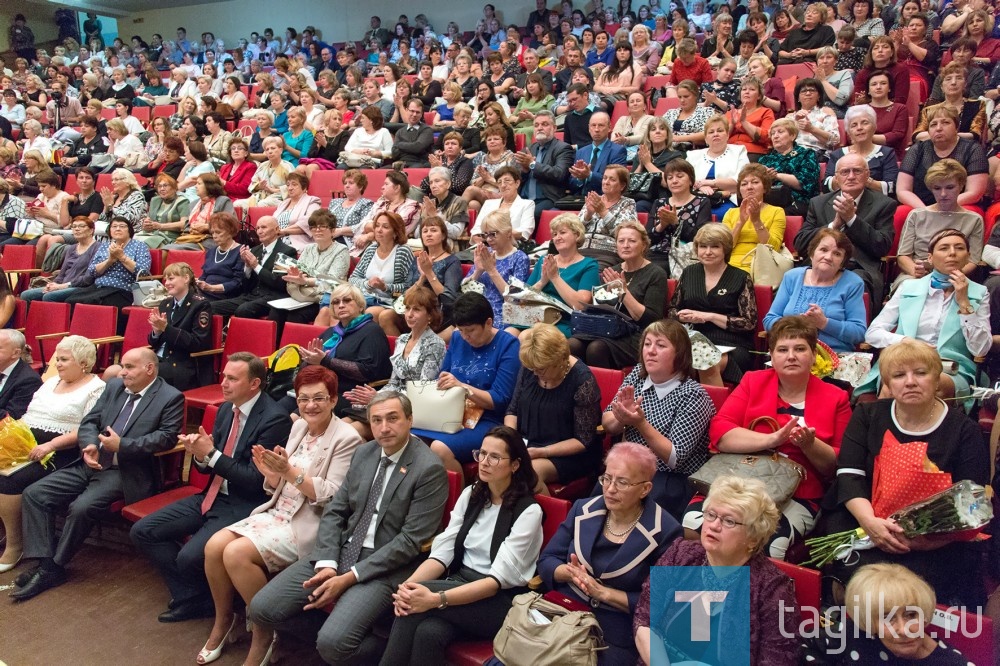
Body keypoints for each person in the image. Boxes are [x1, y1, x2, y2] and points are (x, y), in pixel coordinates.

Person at [246, 391, 447, 664]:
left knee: (334, 644)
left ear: (410, 420)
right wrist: (328, 561)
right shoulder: (365, 452)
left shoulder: (428, 469)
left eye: (392, 418)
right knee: (261, 609)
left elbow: (410, 542)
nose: (384, 428)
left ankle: (381, 647)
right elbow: (336, 510)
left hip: (383, 566)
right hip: (341, 550)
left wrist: (349, 577)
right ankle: (332, 639)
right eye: (376, 420)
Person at [197, 365, 362, 664]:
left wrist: (289, 471)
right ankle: (224, 620)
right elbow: (277, 483)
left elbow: (332, 495)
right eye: (303, 399)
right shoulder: (298, 427)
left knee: (235, 554)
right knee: (213, 547)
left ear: (334, 400)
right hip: (276, 511)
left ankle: (265, 634)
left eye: (319, 398)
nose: (310, 405)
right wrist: (271, 474)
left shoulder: (347, 438)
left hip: (308, 523)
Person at [128, 352, 291, 626]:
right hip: (212, 495)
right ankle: (195, 596)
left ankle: (209, 600)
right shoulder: (227, 409)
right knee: (143, 531)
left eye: (232, 378)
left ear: (254, 384)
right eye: (223, 376)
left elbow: (254, 480)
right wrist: (200, 455)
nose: (224, 383)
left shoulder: (275, 419)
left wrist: (211, 454)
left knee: (188, 557)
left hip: (243, 503)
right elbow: (209, 465)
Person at [826, 339, 989, 606]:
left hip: (937, 537)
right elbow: (849, 474)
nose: (910, 382)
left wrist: (924, 540)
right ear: (888, 383)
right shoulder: (867, 414)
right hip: (865, 520)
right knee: (854, 579)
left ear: (937, 379)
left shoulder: (964, 431)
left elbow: (970, 500)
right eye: (899, 375)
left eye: (920, 373)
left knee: (910, 592)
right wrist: (871, 524)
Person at [12, 348, 184, 601]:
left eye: (129, 367)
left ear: (149, 369)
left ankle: (53, 568)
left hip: (124, 471)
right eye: (122, 366)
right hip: (90, 461)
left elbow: (166, 438)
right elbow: (90, 421)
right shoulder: (114, 387)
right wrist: (90, 444)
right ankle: (46, 562)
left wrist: (122, 446)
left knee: (82, 507)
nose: (122, 371)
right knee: (35, 494)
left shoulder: (170, 397)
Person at [379, 425, 541, 665]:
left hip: (498, 602)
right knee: (428, 631)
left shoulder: (528, 511)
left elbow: (495, 583)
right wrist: (408, 585)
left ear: (515, 465)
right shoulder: (473, 494)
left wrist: (435, 598)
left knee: (412, 608)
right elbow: (442, 554)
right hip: (460, 582)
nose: (484, 462)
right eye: (482, 454)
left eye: (494, 457)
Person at [693, 316, 851, 559]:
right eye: (782, 350)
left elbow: (836, 467)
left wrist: (810, 446)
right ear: (772, 356)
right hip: (741, 480)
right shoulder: (752, 381)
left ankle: (756, 595)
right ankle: (696, 591)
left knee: (769, 542)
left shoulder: (836, 398)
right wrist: (771, 440)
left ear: (813, 355)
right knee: (693, 522)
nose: (791, 356)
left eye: (800, 349)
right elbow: (720, 432)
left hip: (799, 492)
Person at [537, 442, 680, 665]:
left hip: (613, 628)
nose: (610, 489)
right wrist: (567, 573)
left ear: (645, 489)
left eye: (622, 482)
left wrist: (603, 593)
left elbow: (661, 601)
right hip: (564, 609)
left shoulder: (666, 531)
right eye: (607, 478)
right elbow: (547, 560)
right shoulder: (582, 508)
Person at [635, 476, 799, 665]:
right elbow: (645, 619)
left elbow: (778, 660)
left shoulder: (772, 589)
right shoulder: (682, 554)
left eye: (729, 521)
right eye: (711, 514)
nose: (714, 525)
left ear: (753, 538)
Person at [0, 335, 102, 572]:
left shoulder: (96, 388)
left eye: (64, 359)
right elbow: (28, 415)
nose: (57, 363)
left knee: (8, 480)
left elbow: (87, 429)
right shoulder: (50, 382)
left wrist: (51, 445)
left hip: (61, 452)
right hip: (27, 443)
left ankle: (16, 545)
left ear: (83, 363)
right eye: (58, 358)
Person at [601, 319, 714, 519]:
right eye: (647, 344)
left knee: (627, 516)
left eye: (660, 345)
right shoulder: (637, 375)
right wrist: (621, 418)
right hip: (628, 469)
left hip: (670, 480)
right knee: (593, 510)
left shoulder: (693, 395)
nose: (650, 351)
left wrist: (640, 423)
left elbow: (674, 459)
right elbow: (607, 424)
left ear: (680, 354)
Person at [862, 228, 989, 401]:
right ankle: (888, 428)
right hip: (904, 360)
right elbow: (872, 333)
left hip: (949, 368)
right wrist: (905, 341)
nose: (952, 253)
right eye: (944, 248)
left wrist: (964, 303)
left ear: (968, 256)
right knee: (892, 388)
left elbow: (980, 348)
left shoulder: (980, 293)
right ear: (930, 257)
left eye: (959, 248)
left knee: (932, 385)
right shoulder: (908, 287)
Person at [411, 292, 520, 476]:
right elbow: (443, 376)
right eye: (461, 330)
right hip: (452, 413)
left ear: (488, 323)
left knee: (440, 448)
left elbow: (500, 399)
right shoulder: (457, 338)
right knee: (408, 437)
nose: (465, 336)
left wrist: (462, 387)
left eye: (470, 330)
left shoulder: (508, 345)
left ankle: (460, 499)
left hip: (487, 420)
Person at [802, 563, 972, 664]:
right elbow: (804, 643)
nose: (904, 629)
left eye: (911, 615)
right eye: (887, 618)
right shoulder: (855, 633)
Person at [505, 323, 602, 492]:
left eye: (540, 369)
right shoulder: (532, 365)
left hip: (569, 454)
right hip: (529, 445)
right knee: (495, 463)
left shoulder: (583, 382)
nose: (535, 373)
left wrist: (543, 452)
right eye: (532, 368)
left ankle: (541, 517)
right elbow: (512, 411)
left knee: (528, 474)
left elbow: (583, 441)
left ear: (559, 360)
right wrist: (511, 439)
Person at [342, 286, 447, 441]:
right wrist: (376, 396)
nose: (409, 314)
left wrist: (379, 397)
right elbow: (393, 382)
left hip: (411, 409)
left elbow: (422, 390)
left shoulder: (435, 344)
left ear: (430, 315)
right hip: (389, 402)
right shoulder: (402, 339)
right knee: (341, 426)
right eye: (407, 308)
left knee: (350, 433)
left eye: (416, 310)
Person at [797, 152, 897, 300]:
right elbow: (800, 243)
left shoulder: (884, 204)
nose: (851, 176)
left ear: (867, 174)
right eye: (845, 172)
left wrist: (852, 219)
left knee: (856, 281)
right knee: (796, 276)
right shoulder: (818, 203)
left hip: (859, 267)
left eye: (857, 171)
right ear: (836, 178)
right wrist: (833, 225)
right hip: (820, 264)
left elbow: (882, 245)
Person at [571, 221, 668, 369]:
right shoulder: (611, 271)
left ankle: (604, 391)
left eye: (632, 241)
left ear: (644, 245)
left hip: (638, 334)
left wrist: (624, 292)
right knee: (572, 345)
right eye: (621, 241)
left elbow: (651, 320)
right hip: (608, 329)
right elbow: (601, 310)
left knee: (596, 349)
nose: (626, 245)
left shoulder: (656, 273)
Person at [765, 229, 867, 352]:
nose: (828, 257)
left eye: (837, 254)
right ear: (812, 253)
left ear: (843, 263)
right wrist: (795, 325)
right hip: (791, 355)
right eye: (823, 250)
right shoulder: (792, 277)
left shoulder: (852, 283)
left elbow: (858, 332)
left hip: (833, 357)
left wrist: (824, 323)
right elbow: (769, 320)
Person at [304, 283, 393, 417]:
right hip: (321, 391)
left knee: (302, 415)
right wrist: (310, 361)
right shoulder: (331, 332)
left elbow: (366, 371)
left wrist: (325, 361)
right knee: (286, 408)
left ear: (361, 305)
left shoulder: (372, 331)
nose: (340, 305)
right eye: (335, 302)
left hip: (352, 394)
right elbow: (309, 365)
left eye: (347, 300)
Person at [894, 159, 984, 290]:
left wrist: (948, 276)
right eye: (937, 188)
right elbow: (903, 255)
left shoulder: (974, 219)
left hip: (956, 274)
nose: (943, 194)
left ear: (961, 186)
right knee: (911, 286)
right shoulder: (916, 215)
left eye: (950, 187)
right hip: (918, 274)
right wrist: (914, 270)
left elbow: (973, 261)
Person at [511, 214, 600, 338]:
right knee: (508, 334)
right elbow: (522, 299)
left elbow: (580, 305)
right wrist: (542, 281)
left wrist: (555, 278)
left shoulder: (589, 265)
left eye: (562, 232)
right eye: (554, 234)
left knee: (526, 336)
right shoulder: (544, 260)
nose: (557, 238)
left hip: (564, 322)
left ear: (577, 235)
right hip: (534, 317)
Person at [143, 262, 213, 390]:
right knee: (115, 370)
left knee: (135, 374)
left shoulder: (200, 305)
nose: (166, 283)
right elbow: (154, 342)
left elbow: (198, 343)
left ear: (186, 279)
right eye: (165, 279)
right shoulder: (165, 303)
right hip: (159, 359)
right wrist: (157, 332)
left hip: (183, 364)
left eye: (171, 278)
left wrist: (166, 329)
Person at [210, 215, 295, 319]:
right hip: (251, 296)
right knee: (210, 307)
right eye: (257, 228)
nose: (259, 231)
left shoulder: (287, 251)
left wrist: (255, 266)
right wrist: (247, 267)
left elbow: (280, 283)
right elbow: (245, 286)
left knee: (244, 309)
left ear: (277, 229)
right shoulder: (254, 250)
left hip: (273, 297)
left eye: (264, 227)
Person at [65, 216, 151, 308]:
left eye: (122, 226)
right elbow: (92, 270)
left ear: (129, 230)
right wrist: (109, 261)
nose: (118, 229)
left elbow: (143, 273)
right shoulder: (105, 246)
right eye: (114, 226)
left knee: (93, 302)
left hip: (122, 289)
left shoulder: (139, 246)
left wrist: (122, 257)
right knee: (71, 300)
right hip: (98, 287)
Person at [824, 104, 899, 196]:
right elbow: (826, 186)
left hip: (876, 204)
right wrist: (846, 166)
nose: (859, 128)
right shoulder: (838, 154)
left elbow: (891, 187)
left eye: (865, 123)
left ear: (874, 127)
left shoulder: (887, 153)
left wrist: (865, 180)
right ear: (848, 132)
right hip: (843, 202)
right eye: (854, 125)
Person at [722, 163, 786, 269]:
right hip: (729, 264)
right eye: (744, 184)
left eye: (755, 182)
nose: (749, 187)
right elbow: (724, 248)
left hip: (760, 265)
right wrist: (740, 222)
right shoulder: (730, 213)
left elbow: (773, 249)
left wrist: (756, 221)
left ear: (765, 188)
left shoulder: (776, 211)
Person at [21, 217, 99, 303]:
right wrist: (54, 284)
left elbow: (88, 278)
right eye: (74, 226)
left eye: (81, 226)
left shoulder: (97, 248)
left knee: (49, 296)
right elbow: (62, 273)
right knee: (26, 295)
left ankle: (54, 316)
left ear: (91, 230)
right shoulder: (72, 248)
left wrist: (63, 286)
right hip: (62, 285)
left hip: (80, 287)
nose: (77, 229)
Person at [688, 115, 750, 221]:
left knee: (725, 216)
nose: (715, 134)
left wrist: (710, 183)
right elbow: (685, 180)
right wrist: (700, 188)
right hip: (696, 199)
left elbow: (741, 182)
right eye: (711, 132)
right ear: (706, 138)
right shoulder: (693, 155)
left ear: (727, 135)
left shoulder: (739, 151)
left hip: (726, 201)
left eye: (720, 130)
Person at [515, 111, 574, 221]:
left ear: (554, 128)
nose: (540, 128)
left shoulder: (563, 148)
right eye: (536, 125)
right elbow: (517, 178)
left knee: (526, 216)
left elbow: (559, 174)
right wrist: (525, 171)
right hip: (524, 199)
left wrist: (532, 164)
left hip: (547, 198)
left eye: (544, 124)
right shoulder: (529, 149)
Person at [758, 118, 820, 217]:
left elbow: (804, 184)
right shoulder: (765, 160)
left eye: (780, 132)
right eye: (773, 133)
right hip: (769, 202)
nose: (775, 136)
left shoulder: (806, 154)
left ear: (792, 136)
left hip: (798, 201)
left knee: (775, 215)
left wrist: (776, 176)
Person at [912, 61, 986, 143]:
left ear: (965, 84)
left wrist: (945, 136)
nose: (953, 82)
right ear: (942, 87)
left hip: (965, 149)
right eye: (948, 79)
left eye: (959, 78)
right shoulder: (930, 108)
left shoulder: (977, 105)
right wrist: (946, 136)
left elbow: (975, 134)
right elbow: (917, 134)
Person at [195, 212, 245, 301]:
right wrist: (198, 282)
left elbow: (237, 283)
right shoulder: (211, 251)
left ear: (230, 231)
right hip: (205, 291)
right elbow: (204, 275)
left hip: (225, 295)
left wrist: (211, 288)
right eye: (212, 232)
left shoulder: (241, 251)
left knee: (188, 299)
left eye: (218, 232)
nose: (214, 236)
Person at [136, 174, 190, 249]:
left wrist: (161, 226)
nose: (162, 189)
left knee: (142, 245)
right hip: (152, 234)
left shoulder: (182, 201)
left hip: (170, 237)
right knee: (130, 241)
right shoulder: (155, 200)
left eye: (165, 186)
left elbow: (184, 224)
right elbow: (149, 219)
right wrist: (147, 224)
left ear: (174, 188)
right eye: (159, 186)